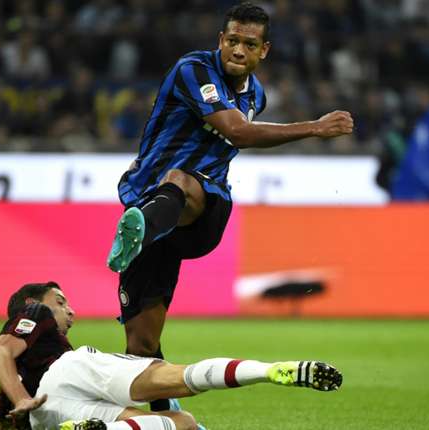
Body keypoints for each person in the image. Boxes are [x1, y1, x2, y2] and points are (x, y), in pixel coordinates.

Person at [105, 1, 353, 412]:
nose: (238, 50)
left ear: (263, 50)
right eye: (232, 40)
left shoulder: (256, 95)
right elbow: (238, 131)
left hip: (203, 209)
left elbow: (239, 133)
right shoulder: (193, 70)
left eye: (249, 44)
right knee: (141, 345)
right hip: (150, 203)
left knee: (179, 179)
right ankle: (170, 419)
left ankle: (140, 230)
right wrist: (314, 127)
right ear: (220, 40)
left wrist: (312, 128)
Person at [0, 281, 343, 430]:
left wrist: (21, 401)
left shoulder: (12, 388)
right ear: (33, 304)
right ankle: (269, 371)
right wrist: (23, 399)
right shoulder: (34, 313)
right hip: (69, 373)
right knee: (181, 378)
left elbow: (1, 422)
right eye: (60, 302)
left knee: (181, 423)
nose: (71, 310)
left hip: (50, 414)